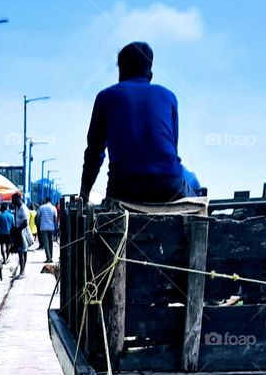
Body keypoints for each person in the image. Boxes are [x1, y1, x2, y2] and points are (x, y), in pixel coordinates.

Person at [80, 41, 192, 204]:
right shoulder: (169, 97)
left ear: (120, 71)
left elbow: (94, 153)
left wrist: (84, 195)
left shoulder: (106, 97)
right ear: (150, 73)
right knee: (192, 181)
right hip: (168, 187)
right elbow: (172, 149)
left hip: (123, 189)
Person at [9, 192, 30, 277]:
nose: (12, 202)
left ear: (18, 199)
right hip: (18, 232)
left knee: (22, 253)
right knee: (21, 252)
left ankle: (22, 272)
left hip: (22, 233)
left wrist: (17, 230)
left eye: (13, 200)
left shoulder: (23, 209)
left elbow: (25, 223)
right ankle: (22, 271)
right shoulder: (17, 208)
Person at [36, 197, 58, 266]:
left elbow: (37, 217)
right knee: (51, 243)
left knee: (46, 244)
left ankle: (48, 258)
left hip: (43, 227)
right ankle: (50, 257)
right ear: (50, 201)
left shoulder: (41, 207)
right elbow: (55, 218)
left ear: (45, 201)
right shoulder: (53, 208)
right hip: (51, 227)